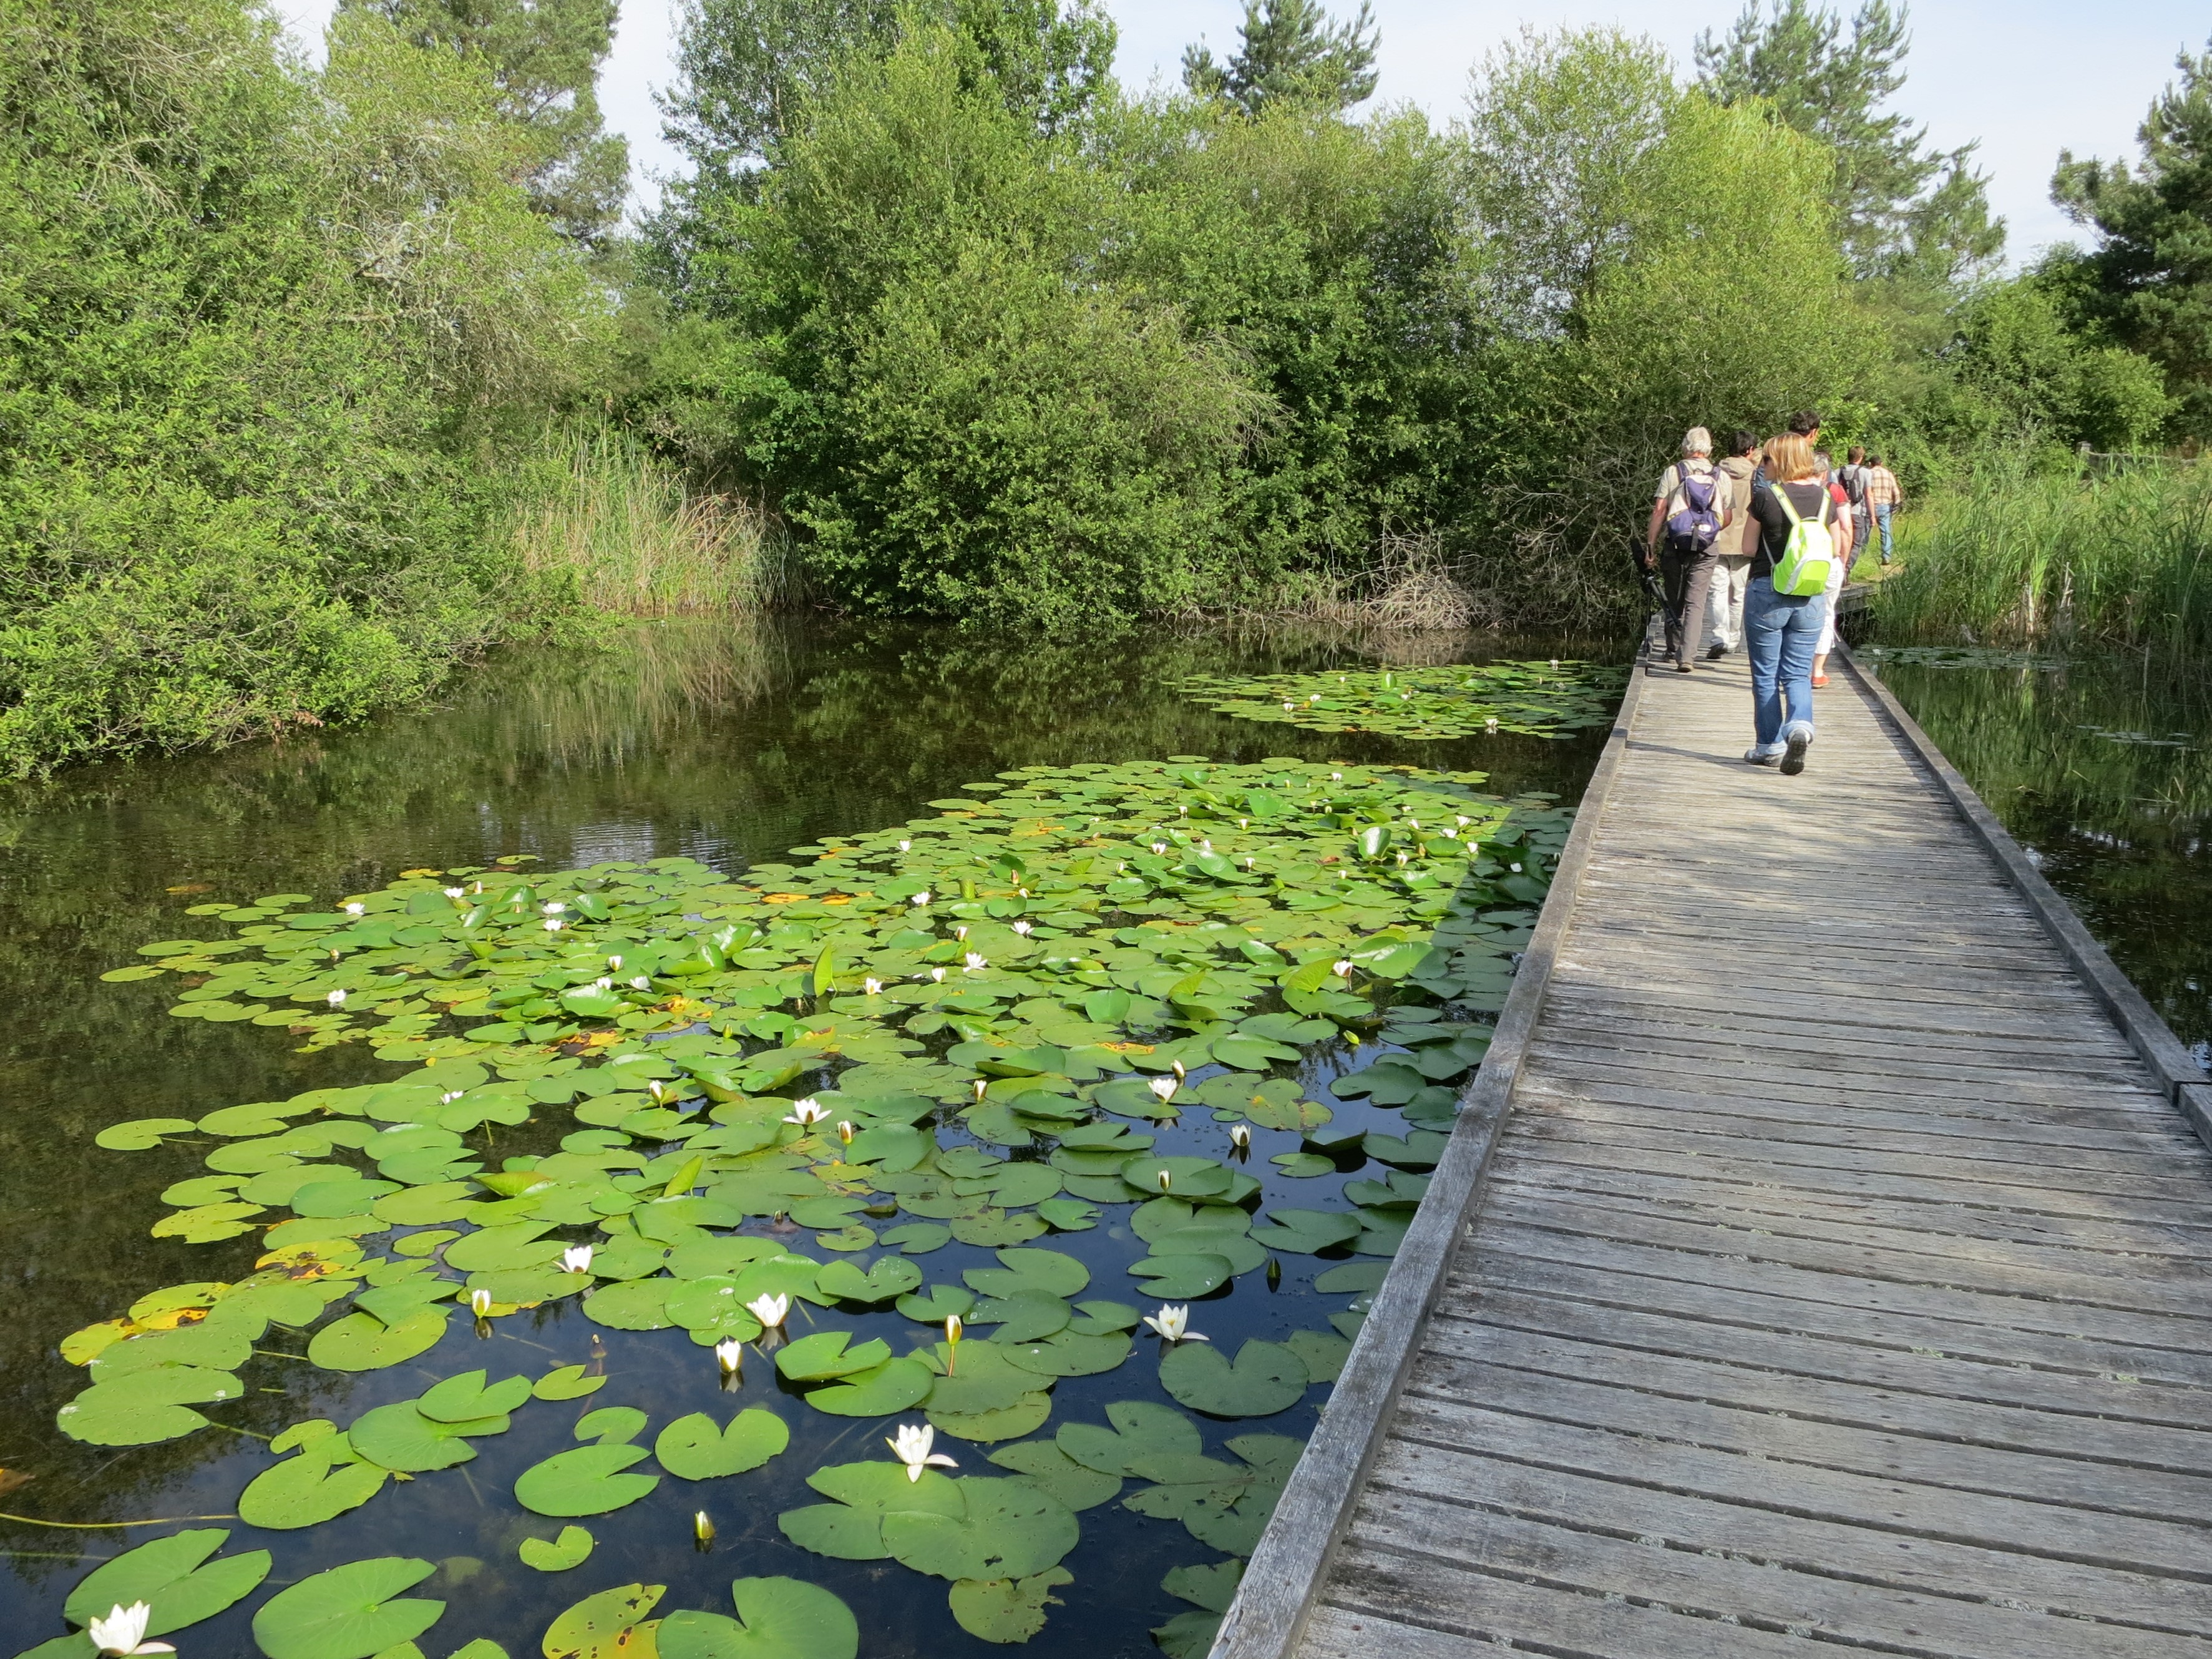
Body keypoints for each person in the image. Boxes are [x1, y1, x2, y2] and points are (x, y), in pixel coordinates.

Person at [1744, 433, 1839, 775]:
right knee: (1798, 673)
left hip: (1768, 592)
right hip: (1810, 596)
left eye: (1766, 459)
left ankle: (1769, 747)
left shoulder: (1765, 498)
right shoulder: (1825, 498)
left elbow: (1746, 547)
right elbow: (1835, 547)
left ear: (1780, 461)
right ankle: (1800, 725)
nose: (1762, 464)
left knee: (1766, 675)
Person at [1644, 426, 1732, 672]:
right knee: (1697, 601)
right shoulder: (1720, 476)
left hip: (1675, 543)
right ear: (1709, 450)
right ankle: (1687, 657)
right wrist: (1708, 531)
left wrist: (1650, 545)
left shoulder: (1673, 472)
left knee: (1675, 598)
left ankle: (1672, 648)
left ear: (1685, 448)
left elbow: (1659, 511)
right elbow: (1727, 516)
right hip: (1707, 547)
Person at [1706, 430, 1760, 656]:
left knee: (1717, 591)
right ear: (1749, 450)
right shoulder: (1757, 476)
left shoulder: (1715, 473)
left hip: (1717, 537)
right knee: (1738, 594)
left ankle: (1719, 636)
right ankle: (1734, 640)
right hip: (1745, 541)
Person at [1865, 453, 1902, 564]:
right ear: (1881, 463)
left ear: (1870, 464)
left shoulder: (1868, 473)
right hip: (1885, 506)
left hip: (1870, 506)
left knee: (1866, 531)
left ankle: (1861, 554)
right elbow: (1896, 492)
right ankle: (1886, 556)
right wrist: (1896, 504)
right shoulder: (1888, 474)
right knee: (1886, 531)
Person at [1841, 445, 1872, 552]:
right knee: (1856, 543)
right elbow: (1869, 495)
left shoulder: (1838, 472)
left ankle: (1842, 565)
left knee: (1842, 541)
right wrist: (1872, 515)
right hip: (1857, 512)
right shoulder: (1866, 472)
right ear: (1861, 457)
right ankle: (1848, 567)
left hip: (1840, 512)